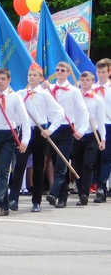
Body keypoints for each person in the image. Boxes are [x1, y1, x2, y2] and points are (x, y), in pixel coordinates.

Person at [10, 64, 65, 212]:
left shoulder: (45, 94)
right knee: (19, 165)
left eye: (35, 75)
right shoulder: (20, 94)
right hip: (24, 132)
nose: (32, 77)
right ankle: (13, 198)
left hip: (40, 131)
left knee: (39, 167)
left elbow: (59, 112)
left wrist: (50, 130)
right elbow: (11, 110)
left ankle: (36, 201)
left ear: (41, 78)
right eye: (30, 75)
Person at [0, 67, 30, 216]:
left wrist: (25, 141)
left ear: (9, 80)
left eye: (3, 79)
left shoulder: (15, 97)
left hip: (9, 136)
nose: (0, 81)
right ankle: (5, 206)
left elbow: (24, 120)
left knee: (4, 170)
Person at [45, 62, 89, 208]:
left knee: (61, 163)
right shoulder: (50, 88)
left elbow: (83, 112)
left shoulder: (74, 91)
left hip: (67, 129)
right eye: (57, 70)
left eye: (63, 70)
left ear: (68, 73)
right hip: (52, 128)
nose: (59, 72)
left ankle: (55, 193)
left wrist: (81, 130)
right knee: (55, 161)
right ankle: (61, 196)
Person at [72, 72, 105, 206]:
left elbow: (101, 121)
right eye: (82, 79)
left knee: (88, 164)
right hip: (76, 134)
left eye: (87, 80)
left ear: (92, 82)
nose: (84, 82)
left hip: (92, 134)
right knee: (77, 165)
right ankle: (81, 192)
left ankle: (85, 193)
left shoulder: (97, 99)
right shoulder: (75, 96)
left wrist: (103, 139)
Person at [94, 59, 111, 203]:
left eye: (103, 72)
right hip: (95, 127)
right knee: (96, 159)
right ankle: (98, 186)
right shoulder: (91, 89)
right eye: (98, 72)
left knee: (106, 157)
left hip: (109, 125)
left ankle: (101, 187)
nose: (101, 75)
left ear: (109, 72)